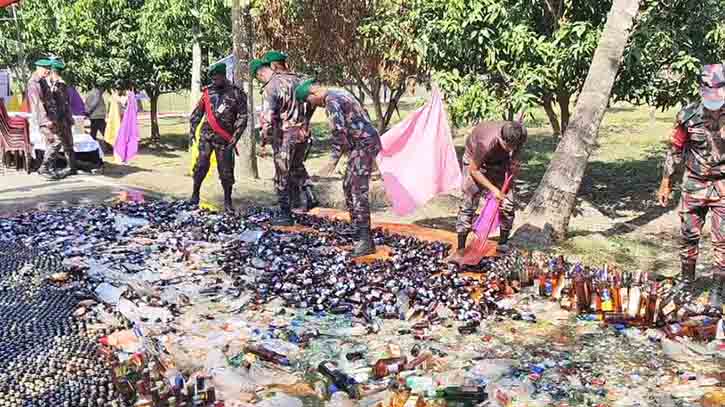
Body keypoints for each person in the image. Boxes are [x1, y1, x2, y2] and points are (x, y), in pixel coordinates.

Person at [657, 63, 725, 310]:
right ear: (701, 89)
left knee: (723, 241)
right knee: (688, 236)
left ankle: (718, 289)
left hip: (723, 186)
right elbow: (674, 150)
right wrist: (666, 182)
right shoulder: (687, 116)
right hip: (694, 184)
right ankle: (686, 281)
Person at [294, 79, 381, 257]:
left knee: (356, 190)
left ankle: (365, 240)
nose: (312, 106)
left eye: (309, 102)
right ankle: (358, 230)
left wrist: (331, 163)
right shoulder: (339, 91)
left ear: (313, 94)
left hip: (363, 144)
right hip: (362, 143)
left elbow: (339, 134)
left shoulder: (331, 101)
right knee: (348, 186)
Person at [251, 58, 316, 226]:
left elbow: (268, 116)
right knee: (297, 166)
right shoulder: (298, 79)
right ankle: (309, 197)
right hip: (302, 133)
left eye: (258, 78)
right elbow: (313, 102)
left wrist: (264, 138)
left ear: (260, 73)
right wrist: (306, 122)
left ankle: (285, 214)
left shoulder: (271, 86)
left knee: (282, 173)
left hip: (284, 136)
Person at [455, 121, 527, 253]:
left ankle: (503, 242)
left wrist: (514, 162)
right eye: (508, 146)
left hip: (501, 162)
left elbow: (517, 150)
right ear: (501, 138)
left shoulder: (519, 133)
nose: (511, 149)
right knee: (469, 201)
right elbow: (474, 170)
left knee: (508, 203)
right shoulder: (485, 143)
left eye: (513, 147)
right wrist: (494, 190)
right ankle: (461, 247)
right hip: (475, 162)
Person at [189, 63, 248, 212]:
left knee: (226, 171)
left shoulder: (236, 93)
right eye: (213, 79)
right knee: (201, 166)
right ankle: (195, 194)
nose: (215, 81)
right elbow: (197, 113)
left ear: (224, 76)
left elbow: (242, 116)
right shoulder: (208, 93)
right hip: (206, 136)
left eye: (217, 78)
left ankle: (228, 201)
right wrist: (192, 130)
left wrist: (236, 137)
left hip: (225, 138)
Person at [26, 58, 60, 180]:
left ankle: (49, 168)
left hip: (49, 116)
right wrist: (46, 120)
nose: (48, 71)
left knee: (50, 143)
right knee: (55, 141)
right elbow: (37, 104)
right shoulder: (33, 83)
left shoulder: (42, 81)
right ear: (39, 68)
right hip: (43, 119)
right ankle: (44, 168)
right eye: (46, 69)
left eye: (49, 69)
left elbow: (49, 99)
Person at [47, 59, 77, 177]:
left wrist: (56, 119)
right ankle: (69, 167)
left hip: (62, 119)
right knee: (65, 143)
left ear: (53, 72)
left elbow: (62, 104)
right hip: (63, 119)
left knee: (61, 143)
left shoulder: (60, 85)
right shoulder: (59, 84)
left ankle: (67, 167)